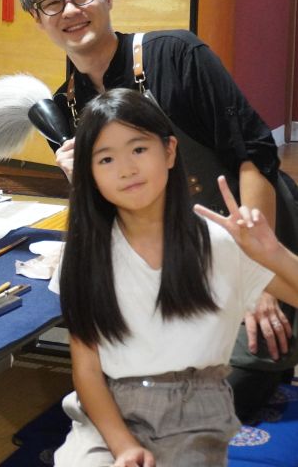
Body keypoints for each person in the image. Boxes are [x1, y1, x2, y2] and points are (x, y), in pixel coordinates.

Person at [18, 0, 298, 420]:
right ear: (38, 18)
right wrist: (82, 181)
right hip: (179, 263)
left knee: (221, 389)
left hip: (258, 240)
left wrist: (260, 280)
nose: (71, 10)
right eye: (52, 2)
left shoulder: (176, 55)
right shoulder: (66, 104)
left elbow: (254, 155)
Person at [51, 88, 298, 467]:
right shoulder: (83, 253)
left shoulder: (217, 242)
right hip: (105, 415)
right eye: (105, 158)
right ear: (88, 172)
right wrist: (123, 447)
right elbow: (86, 369)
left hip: (195, 413)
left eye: (138, 149)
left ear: (169, 151)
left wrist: (273, 252)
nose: (126, 169)